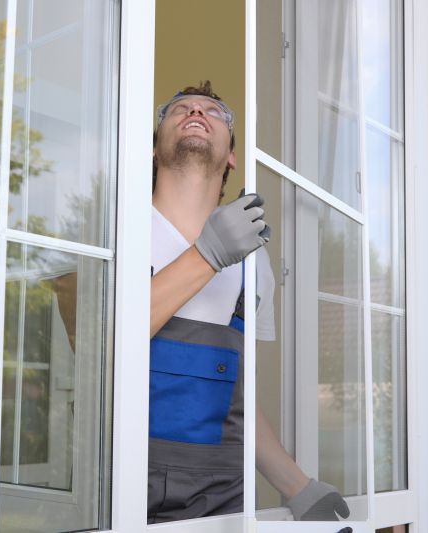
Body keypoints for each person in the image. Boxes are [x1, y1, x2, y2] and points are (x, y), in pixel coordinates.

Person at [148, 80, 350, 523]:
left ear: (232, 156)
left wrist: (297, 486)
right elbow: (99, 344)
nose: (196, 112)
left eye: (213, 111)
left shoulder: (253, 263)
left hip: (221, 503)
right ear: (155, 149)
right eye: (180, 109)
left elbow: (237, 393)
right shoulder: (119, 230)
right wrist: (206, 255)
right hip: (123, 490)